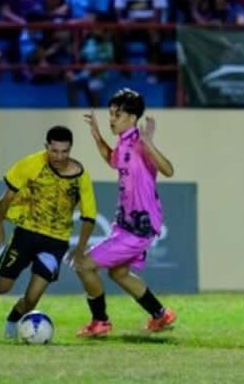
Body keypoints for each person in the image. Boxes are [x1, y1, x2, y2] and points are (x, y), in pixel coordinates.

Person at [0, 126, 97, 340]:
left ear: (70, 150)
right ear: (46, 147)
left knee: (32, 298)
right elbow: (7, 198)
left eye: (64, 152)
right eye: (54, 151)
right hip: (26, 233)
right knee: (2, 288)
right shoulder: (30, 164)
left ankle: (12, 323)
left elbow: (89, 217)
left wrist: (80, 247)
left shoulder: (81, 178)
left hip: (56, 243)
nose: (59, 157)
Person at [74, 89, 177, 337]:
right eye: (110, 113)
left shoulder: (140, 144)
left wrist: (150, 142)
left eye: (117, 114)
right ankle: (161, 314)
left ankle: (100, 321)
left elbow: (169, 170)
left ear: (132, 118)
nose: (111, 118)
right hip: (126, 223)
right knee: (118, 273)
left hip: (139, 226)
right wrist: (97, 136)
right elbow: (112, 159)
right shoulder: (123, 142)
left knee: (84, 265)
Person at [114, 0, 167, 82]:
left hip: (152, 25)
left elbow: (157, 16)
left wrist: (136, 21)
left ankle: (153, 71)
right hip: (132, 26)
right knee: (116, 32)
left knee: (153, 31)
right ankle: (124, 69)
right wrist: (127, 22)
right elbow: (119, 15)